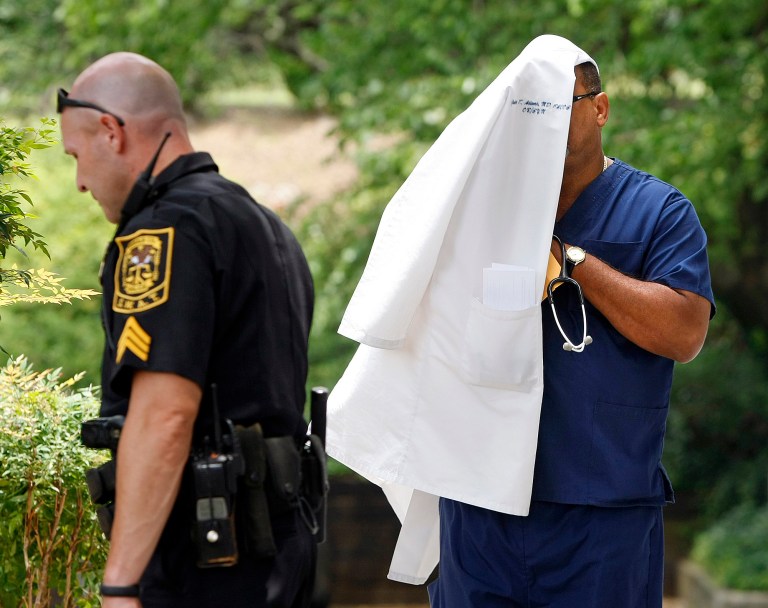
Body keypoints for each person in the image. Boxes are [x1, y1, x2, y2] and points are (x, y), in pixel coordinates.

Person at [428, 57, 715, 606]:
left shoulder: (659, 212)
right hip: (480, 505)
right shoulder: (478, 207)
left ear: (600, 108)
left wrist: (571, 260)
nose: (541, 122)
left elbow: (684, 333)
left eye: (560, 107)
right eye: (526, 111)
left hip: (603, 512)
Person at [58, 52, 317, 608]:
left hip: (205, 562)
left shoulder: (163, 232)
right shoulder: (264, 224)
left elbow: (165, 412)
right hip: (280, 545)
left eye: (76, 157)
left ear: (111, 132)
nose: (79, 182)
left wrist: (121, 583)